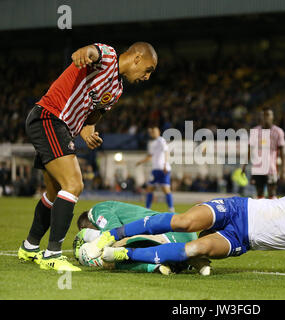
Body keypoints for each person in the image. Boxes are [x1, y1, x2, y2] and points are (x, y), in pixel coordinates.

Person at [17, 42, 158, 271]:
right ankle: (52, 254)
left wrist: (89, 132)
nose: (147, 77)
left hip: (61, 126)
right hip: (50, 117)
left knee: (55, 192)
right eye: (148, 70)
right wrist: (86, 53)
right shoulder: (109, 56)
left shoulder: (117, 90)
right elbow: (94, 52)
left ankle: (30, 247)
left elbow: (92, 117)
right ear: (137, 58)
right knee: (73, 184)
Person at [85, 190, 285, 279]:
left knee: (193, 249)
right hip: (240, 210)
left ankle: (121, 254)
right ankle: (110, 234)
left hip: (242, 240)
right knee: (182, 222)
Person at [73, 201, 210, 275]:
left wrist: (88, 239)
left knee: (110, 253)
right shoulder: (110, 207)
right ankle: (183, 261)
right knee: (113, 250)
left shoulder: (96, 210)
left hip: (168, 233)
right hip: (184, 233)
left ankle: (154, 266)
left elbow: (113, 230)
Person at [242, 107, 285, 199]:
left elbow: (282, 153)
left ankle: (273, 213)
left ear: (272, 117)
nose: (265, 117)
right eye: (263, 115)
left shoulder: (278, 132)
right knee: (259, 194)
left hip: (271, 168)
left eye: (268, 115)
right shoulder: (254, 131)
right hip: (258, 168)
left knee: (272, 194)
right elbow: (250, 150)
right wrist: (244, 166)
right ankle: (260, 213)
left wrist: (283, 169)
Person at [136, 125, 174, 212]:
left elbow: (166, 152)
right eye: (152, 132)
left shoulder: (161, 140)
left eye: (155, 131)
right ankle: (147, 209)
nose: (153, 133)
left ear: (158, 132)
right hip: (155, 170)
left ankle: (171, 209)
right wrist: (141, 161)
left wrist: (165, 165)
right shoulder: (152, 143)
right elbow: (150, 156)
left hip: (162, 169)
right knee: (149, 189)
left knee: (166, 189)